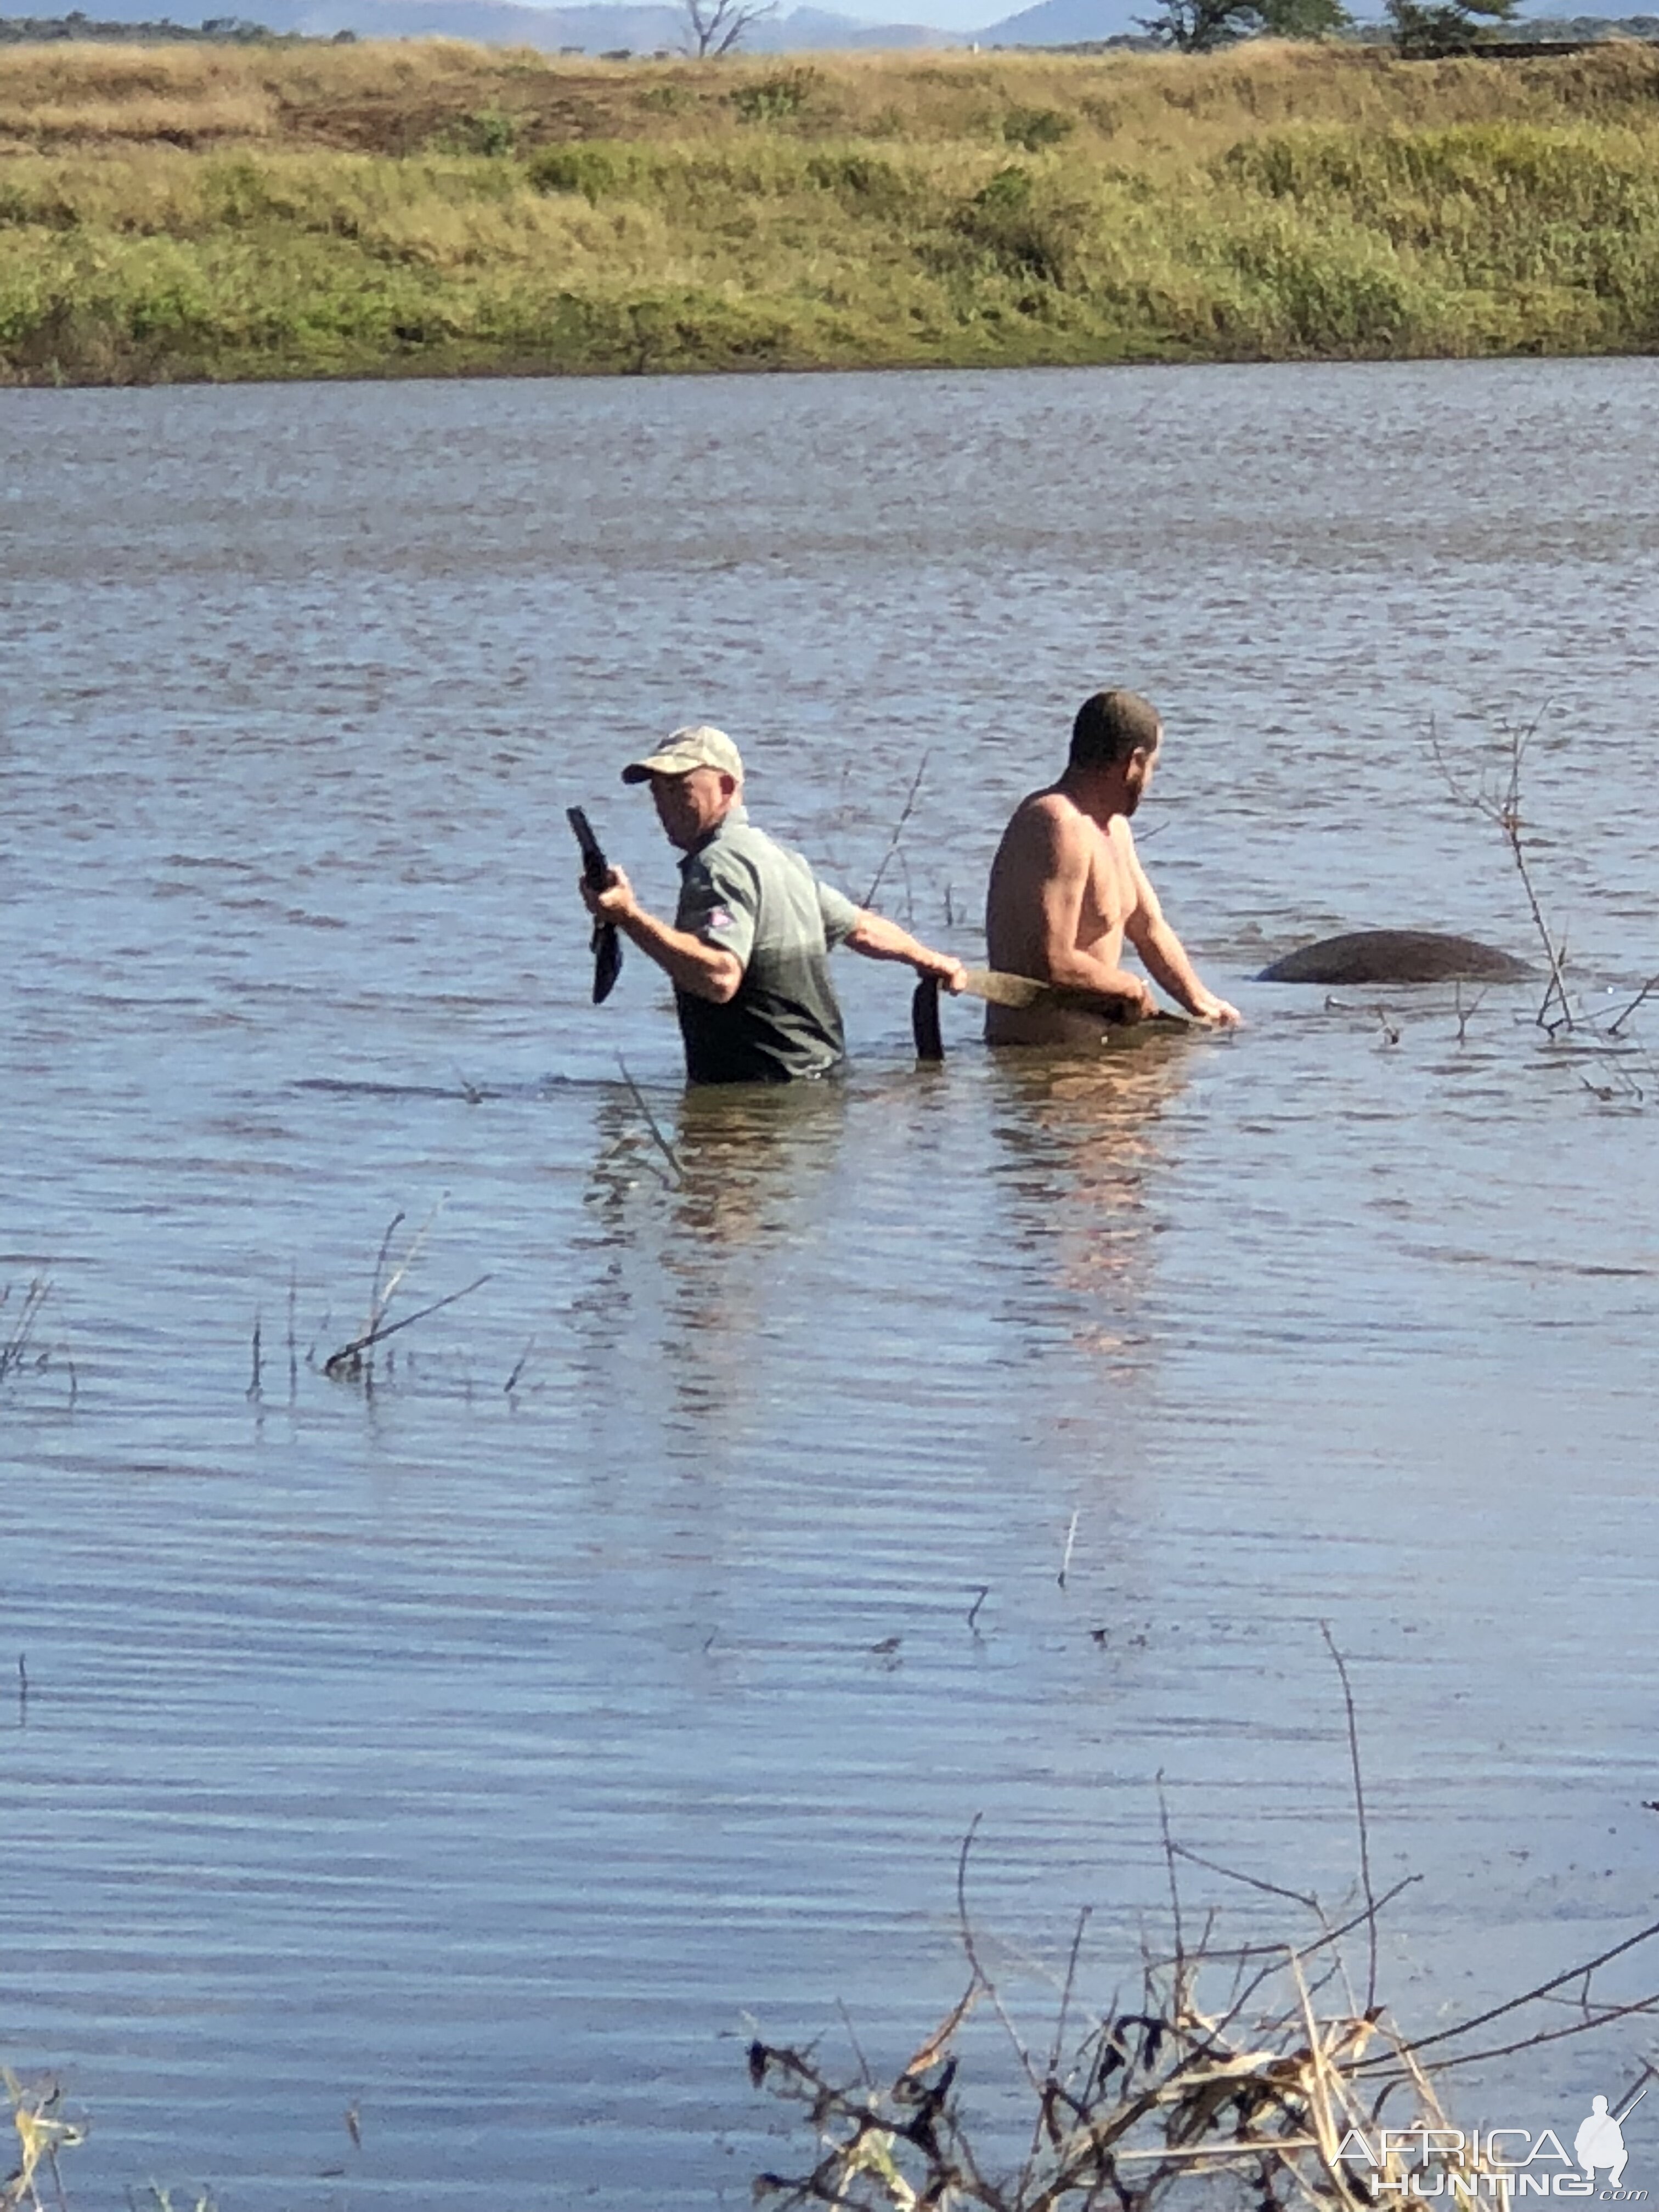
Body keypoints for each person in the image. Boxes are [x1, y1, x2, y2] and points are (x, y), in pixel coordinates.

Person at [580, 724, 963, 1085]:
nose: (664, 806)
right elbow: (860, 928)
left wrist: (629, 917)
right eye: (657, 792)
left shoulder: (718, 865)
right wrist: (932, 960)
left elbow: (720, 978)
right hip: (822, 1092)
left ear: (726, 788)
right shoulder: (779, 858)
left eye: (679, 788)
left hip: (756, 1106)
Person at [983, 689, 1242, 1047]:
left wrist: (1203, 1002)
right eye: (1152, 766)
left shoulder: (1114, 828)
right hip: (1047, 1065)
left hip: (1100, 1053)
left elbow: (1149, 928)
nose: (1150, 780)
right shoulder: (1056, 824)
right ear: (1134, 762)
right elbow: (1051, 962)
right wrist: (1130, 988)